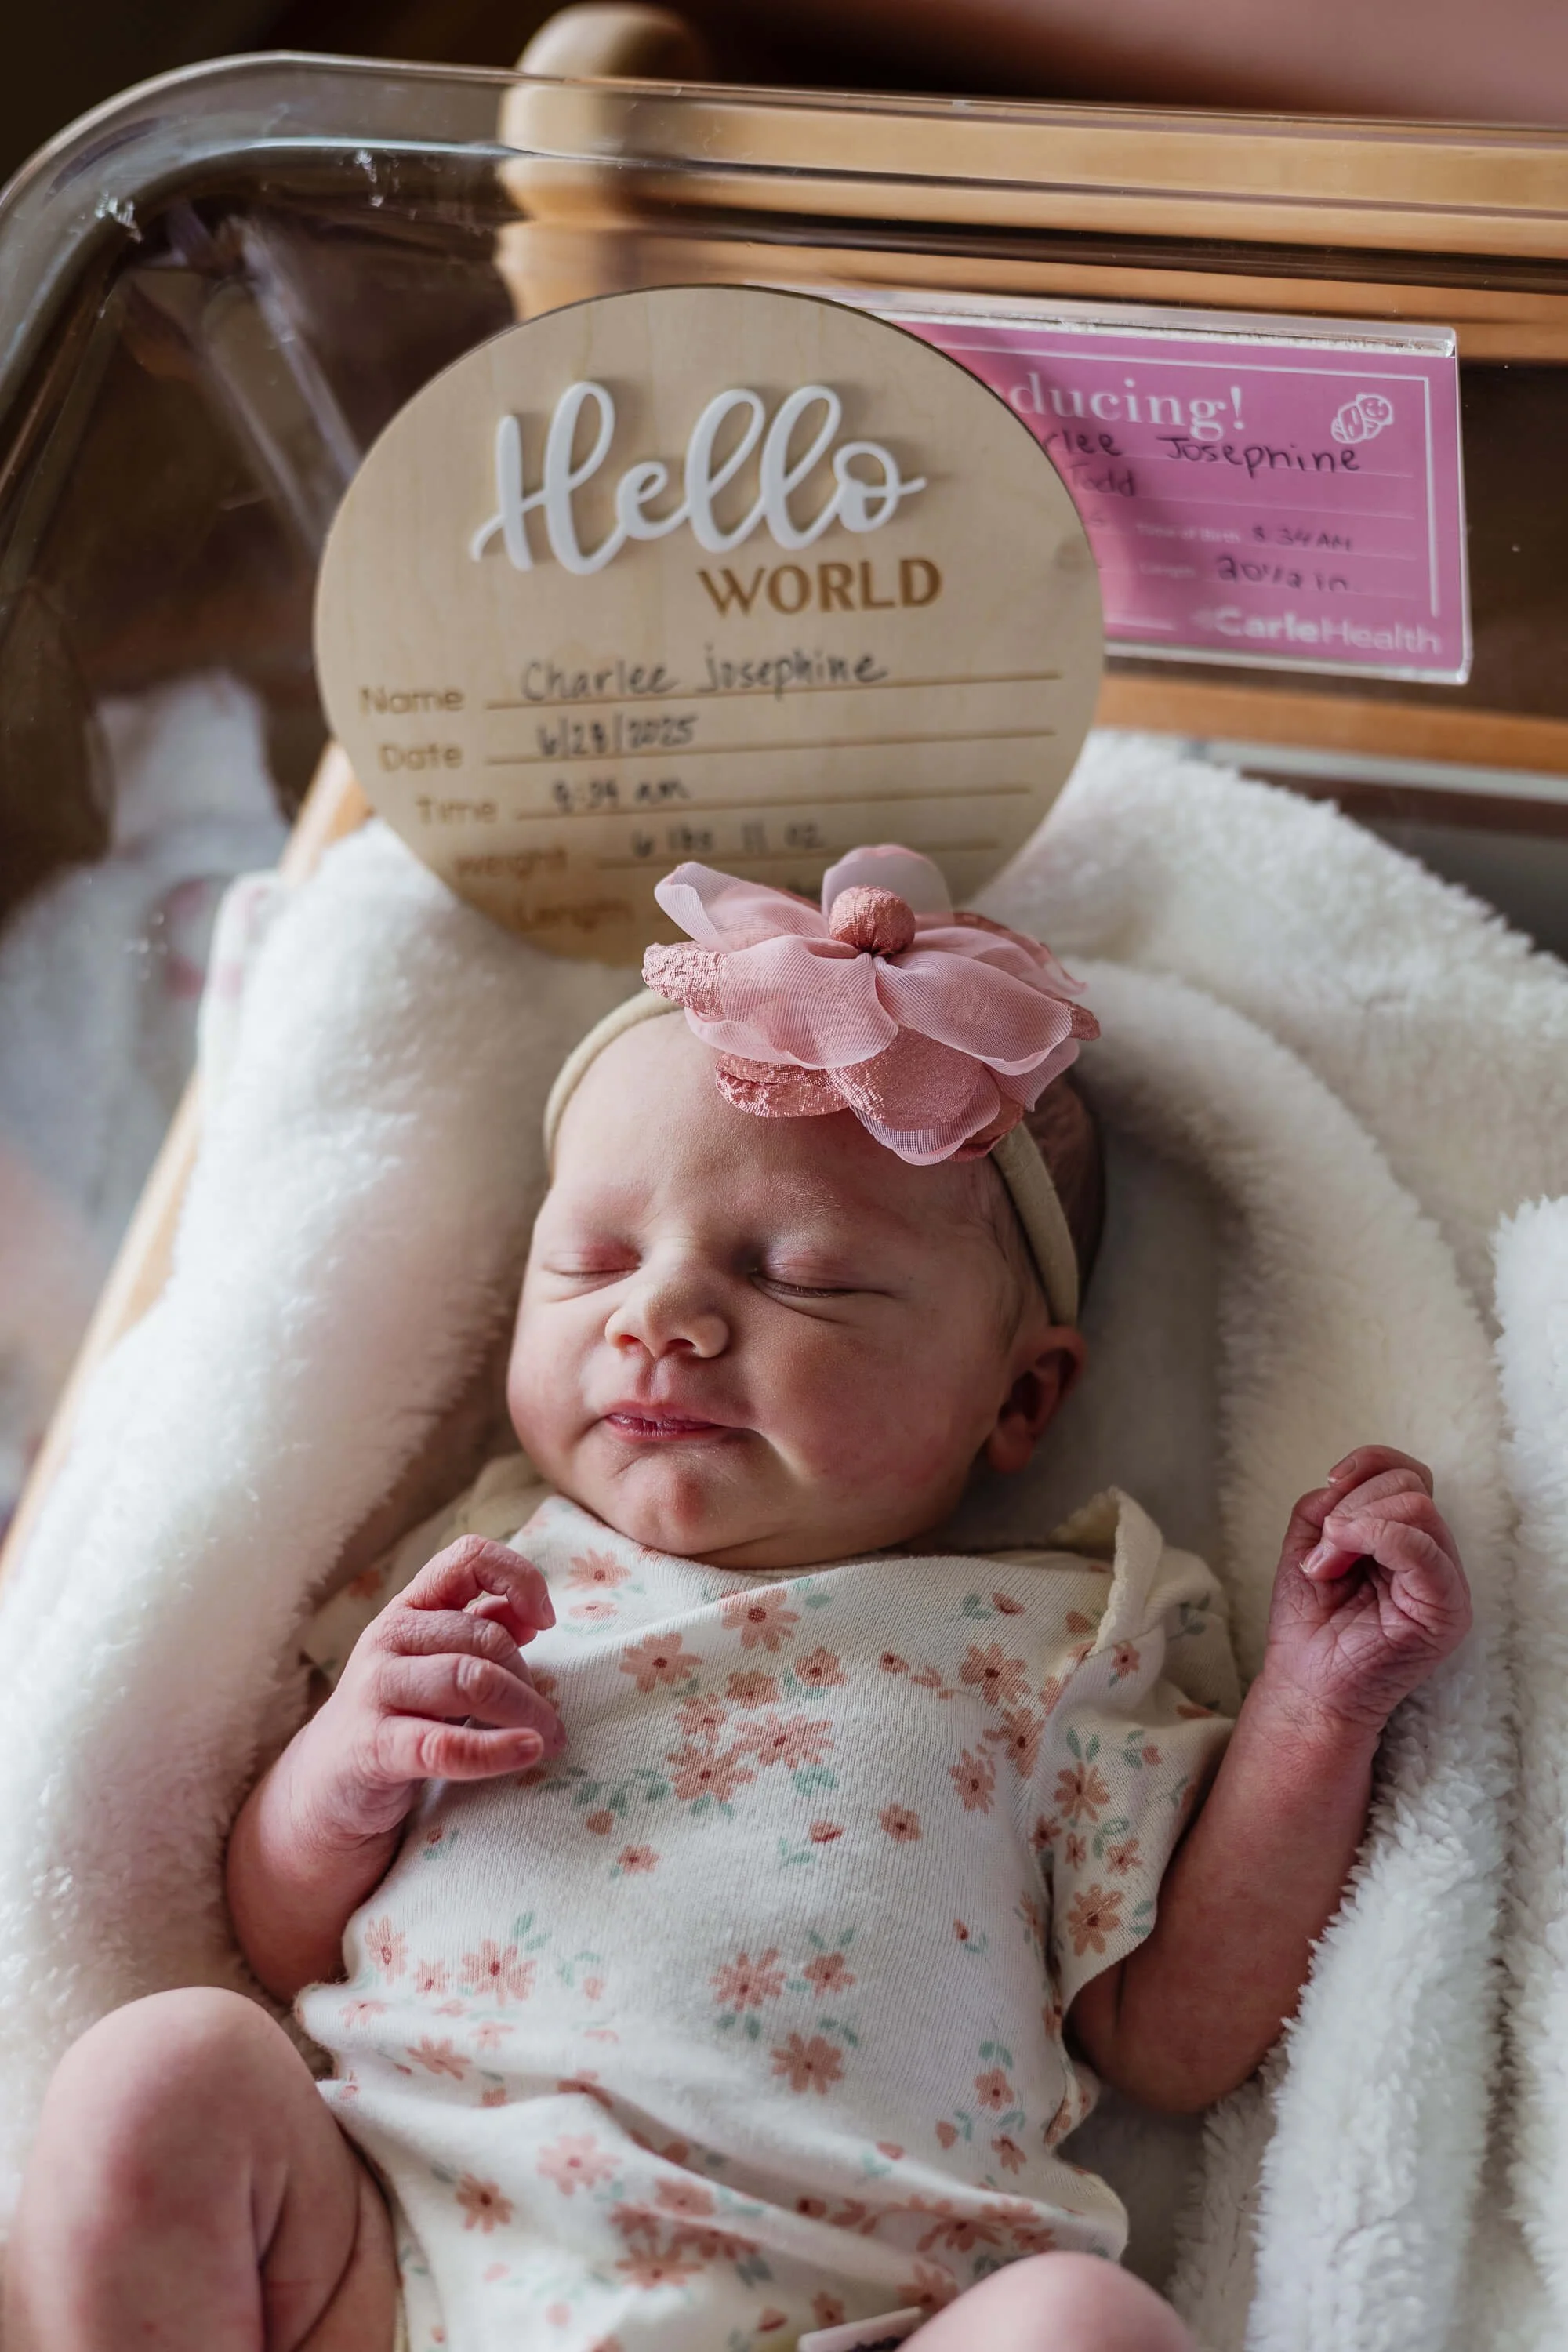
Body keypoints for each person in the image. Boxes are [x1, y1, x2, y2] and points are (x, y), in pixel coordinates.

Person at [5, 847, 1473, 2352]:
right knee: (160, 2071)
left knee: (1083, 2330)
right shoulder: (493, 1564)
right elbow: (281, 1938)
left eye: (802, 1278)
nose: (661, 1316)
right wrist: (344, 1777)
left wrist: (1319, 1703)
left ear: (1019, 1403)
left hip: (853, 2309)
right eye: (591, 1261)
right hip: (403, 2258)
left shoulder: (1058, 1639)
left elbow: (1173, 2035)